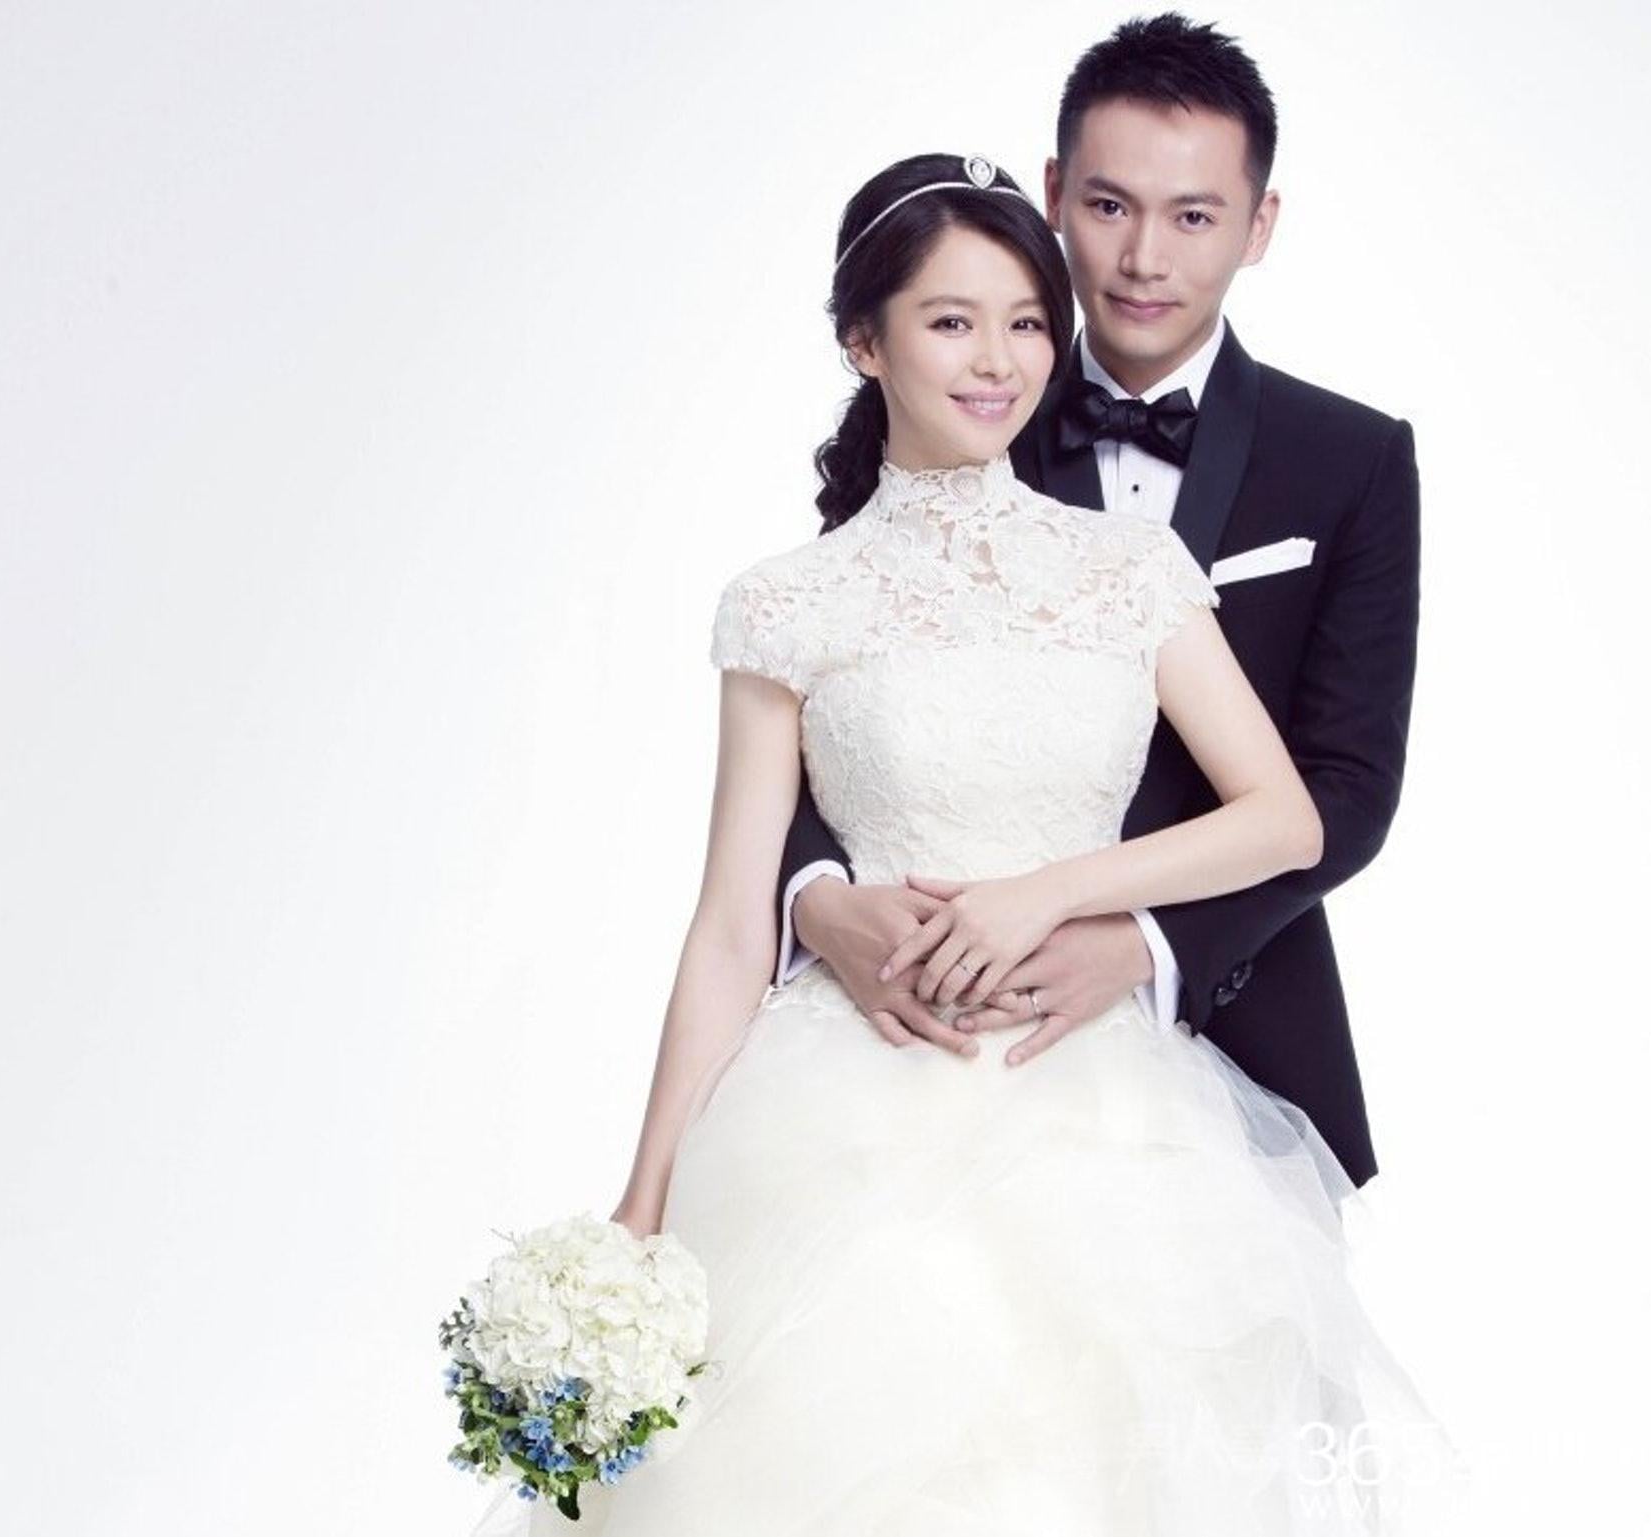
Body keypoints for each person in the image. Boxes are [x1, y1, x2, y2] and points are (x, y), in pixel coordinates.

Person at [467, 146, 1462, 1536]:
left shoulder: (1129, 571)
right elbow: (733, 922)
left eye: (1026, 323)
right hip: (843, 1113)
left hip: (1102, 1112)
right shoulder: (786, 604)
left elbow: (1284, 815)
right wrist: (645, 1199)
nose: (998, 361)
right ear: (863, 341)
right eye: (951, 321)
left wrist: (1050, 894)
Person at [776, 14, 1417, 1192]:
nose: (1144, 259)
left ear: (1259, 225)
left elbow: (1348, 789)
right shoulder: (956, 407)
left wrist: (1139, 946)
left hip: (1239, 1013)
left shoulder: (1352, 460)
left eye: (1195, 217)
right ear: (1057, 193)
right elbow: (832, 689)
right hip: (930, 1014)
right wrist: (818, 904)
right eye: (1112, 206)